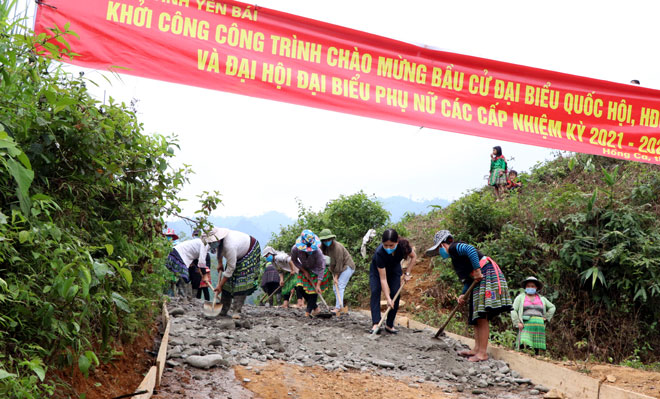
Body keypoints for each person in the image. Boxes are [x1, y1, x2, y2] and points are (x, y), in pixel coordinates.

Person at [426, 230, 512, 362]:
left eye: (438, 250)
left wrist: (477, 270)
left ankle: (482, 353)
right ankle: (476, 349)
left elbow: (471, 250)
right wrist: (462, 295)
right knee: (476, 315)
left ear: (443, 245)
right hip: (478, 278)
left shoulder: (455, 247)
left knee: (482, 314)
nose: (439, 253)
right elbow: (467, 280)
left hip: (486, 272)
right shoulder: (456, 260)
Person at [205, 227, 261, 319]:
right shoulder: (218, 243)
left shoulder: (230, 246)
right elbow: (219, 251)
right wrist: (219, 263)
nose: (211, 244)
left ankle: (236, 311)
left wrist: (220, 286)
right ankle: (223, 309)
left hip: (249, 249)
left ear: (218, 240)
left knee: (241, 281)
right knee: (227, 283)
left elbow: (230, 268)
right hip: (237, 252)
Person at [369, 229, 416, 334]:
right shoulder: (379, 253)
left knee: (396, 293)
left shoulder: (403, 246)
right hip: (378, 272)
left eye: (391, 245)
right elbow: (383, 279)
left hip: (394, 269)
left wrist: (407, 273)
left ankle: (389, 325)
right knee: (375, 291)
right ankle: (376, 323)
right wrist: (388, 298)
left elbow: (414, 257)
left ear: (397, 242)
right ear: (382, 243)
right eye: (385, 245)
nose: (388, 248)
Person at [290, 229, 331, 317]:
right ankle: (315, 308)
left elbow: (321, 268)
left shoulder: (318, 252)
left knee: (313, 292)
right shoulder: (295, 249)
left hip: (316, 271)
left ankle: (307, 313)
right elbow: (294, 260)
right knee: (300, 288)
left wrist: (318, 284)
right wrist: (304, 271)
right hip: (304, 268)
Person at [511, 276, 556, 354]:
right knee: (524, 343)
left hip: (538, 326)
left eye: (532, 286)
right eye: (528, 286)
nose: (530, 288)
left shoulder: (542, 299)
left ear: (536, 288)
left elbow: (552, 307)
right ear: (525, 287)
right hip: (526, 325)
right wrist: (517, 322)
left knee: (535, 349)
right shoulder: (520, 298)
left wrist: (546, 317)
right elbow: (513, 309)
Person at [319, 228, 356, 314]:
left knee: (339, 285)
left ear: (332, 238)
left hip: (347, 266)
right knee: (335, 288)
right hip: (336, 268)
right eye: (325, 240)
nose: (327, 241)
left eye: (329, 239)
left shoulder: (337, 247)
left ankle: (338, 308)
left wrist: (336, 277)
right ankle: (340, 305)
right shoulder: (323, 247)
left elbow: (339, 263)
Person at [189, 230, 212, 301]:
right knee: (198, 287)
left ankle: (207, 301)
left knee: (205, 288)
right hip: (196, 273)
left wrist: (203, 271)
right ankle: (197, 301)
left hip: (204, 272)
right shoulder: (194, 249)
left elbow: (207, 263)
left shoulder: (205, 251)